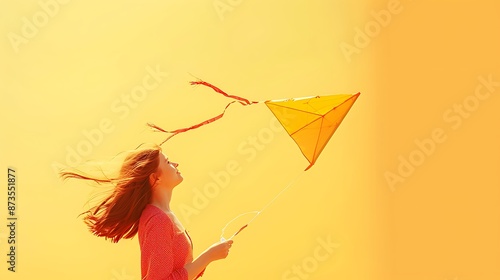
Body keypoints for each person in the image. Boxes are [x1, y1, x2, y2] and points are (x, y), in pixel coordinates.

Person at [60, 144, 233, 280]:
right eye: (167, 162)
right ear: (155, 178)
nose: (176, 164)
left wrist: (209, 257)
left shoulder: (164, 215)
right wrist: (209, 256)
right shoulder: (157, 219)